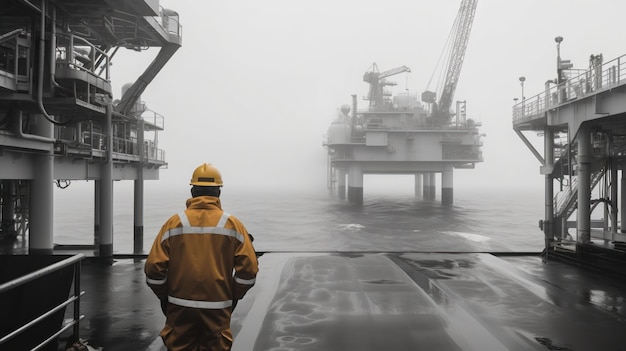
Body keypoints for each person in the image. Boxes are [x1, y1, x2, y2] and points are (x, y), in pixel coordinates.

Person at [145, 163, 259, 351]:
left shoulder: (174, 223)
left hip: (179, 308)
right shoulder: (233, 225)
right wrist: (233, 295)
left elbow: (153, 270)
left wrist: (165, 296)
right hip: (218, 308)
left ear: (192, 191)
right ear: (218, 193)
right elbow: (248, 271)